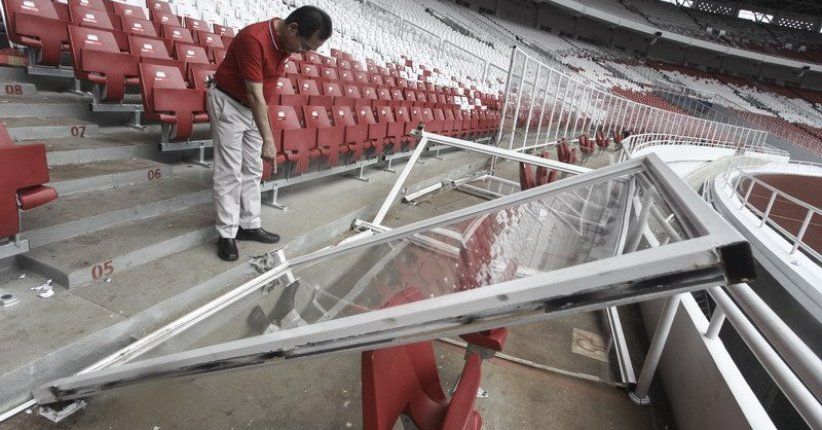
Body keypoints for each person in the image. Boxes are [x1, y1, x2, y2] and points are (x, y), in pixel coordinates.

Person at [207, 6, 332, 261]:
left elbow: (261, 94)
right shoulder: (253, 39)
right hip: (229, 103)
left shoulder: (286, 43)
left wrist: (264, 133)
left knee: (253, 169)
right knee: (229, 172)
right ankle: (227, 234)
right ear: (293, 28)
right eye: (305, 46)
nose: (303, 53)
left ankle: (249, 225)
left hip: (253, 107)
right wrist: (268, 140)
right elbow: (254, 94)